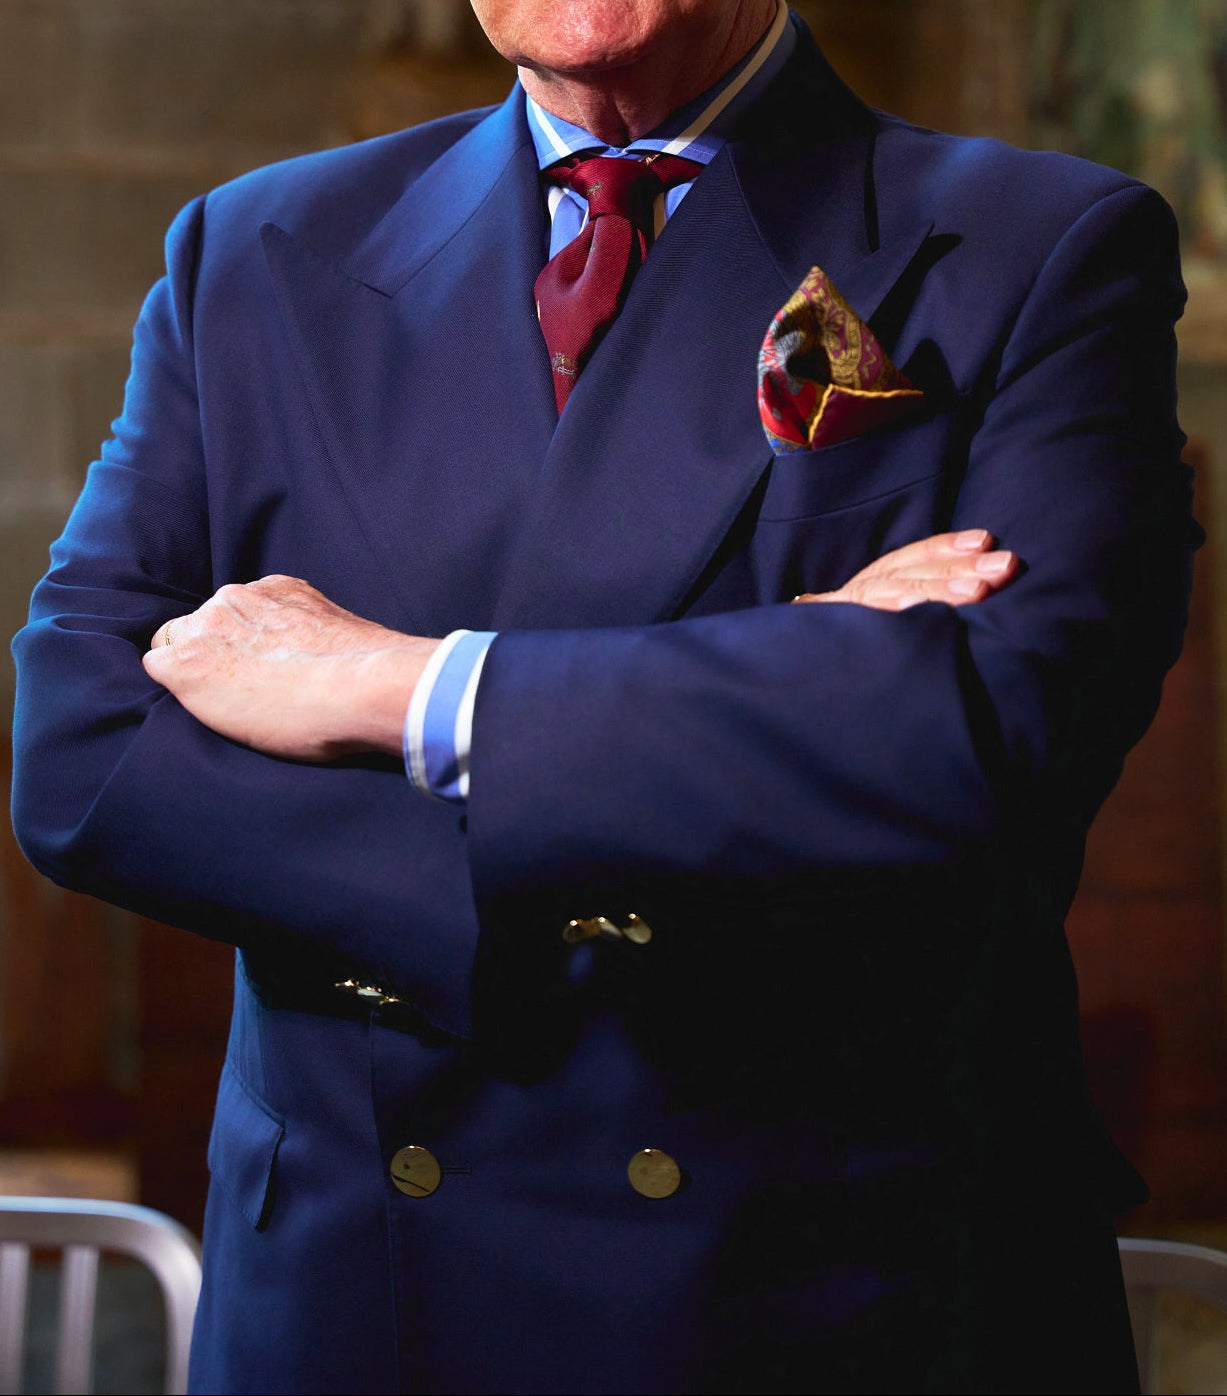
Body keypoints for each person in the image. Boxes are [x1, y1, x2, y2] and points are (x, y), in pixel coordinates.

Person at [9, 1, 1197, 1391]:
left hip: (827, 1286)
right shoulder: (255, 250)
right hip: (361, 1296)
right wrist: (786, 682)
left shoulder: (1041, 244)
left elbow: (984, 729)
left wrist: (401, 687)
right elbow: (81, 757)